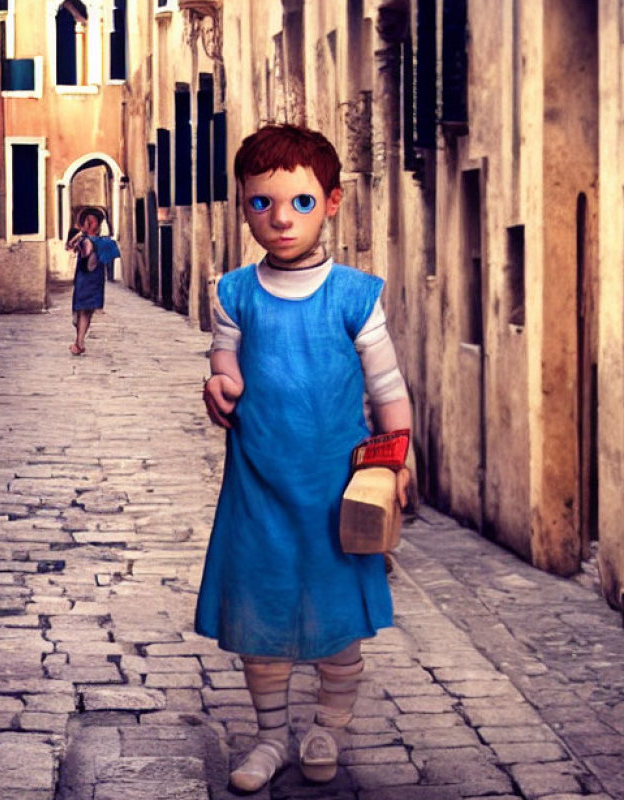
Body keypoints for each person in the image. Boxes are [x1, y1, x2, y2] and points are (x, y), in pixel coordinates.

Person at [196, 124, 412, 792]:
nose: (281, 218)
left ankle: (328, 728)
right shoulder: (233, 292)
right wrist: (220, 383)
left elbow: (387, 389)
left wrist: (395, 464)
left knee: (335, 620)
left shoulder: (355, 295)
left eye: (300, 202)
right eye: (262, 204)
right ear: (243, 206)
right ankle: (268, 737)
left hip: (335, 487)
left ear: (333, 201)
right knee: (260, 617)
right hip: (259, 483)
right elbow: (225, 358)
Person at [65, 208, 119, 355]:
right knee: (83, 312)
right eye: (88, 222)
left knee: (84, 311)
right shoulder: (86, 239)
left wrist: (83, 237)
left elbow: (87, 252)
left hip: (90, 279)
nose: (91, 224)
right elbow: (70, 247)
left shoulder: (96, 241)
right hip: (86, 277)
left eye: (92, 222)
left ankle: (79, 343)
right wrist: (80, 235)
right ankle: (79, 342)